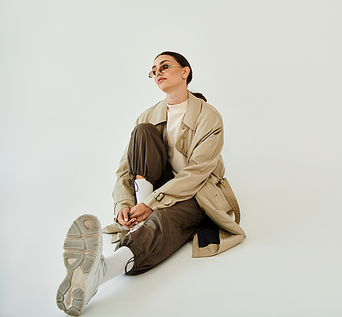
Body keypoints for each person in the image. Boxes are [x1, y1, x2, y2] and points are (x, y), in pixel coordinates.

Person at [56, 51, 246, 316]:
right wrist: (124, 203)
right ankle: (136, 224)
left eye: (164, 66)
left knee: (163, 221)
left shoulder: (209, 117)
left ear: (185, 72)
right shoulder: (146, 116)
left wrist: (150, 204)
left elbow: (197, 172)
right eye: (153, 70)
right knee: (142, 132)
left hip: (197, 194)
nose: (157, 72)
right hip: (154, 191)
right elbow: (125, 169)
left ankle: (101, 273)